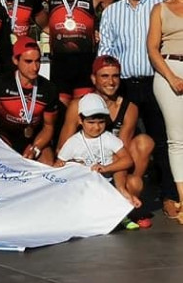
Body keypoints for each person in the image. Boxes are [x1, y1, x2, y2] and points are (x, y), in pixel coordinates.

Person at [98, 0, 178, 219]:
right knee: (122, 141)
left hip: (156, 82)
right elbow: (106, 49)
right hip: (125, 85)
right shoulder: (111, 12)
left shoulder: (159, 6)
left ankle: (169, 195)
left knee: (165, 141)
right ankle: (122, 193)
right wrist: (105, 84)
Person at [57, 55, 154, 223]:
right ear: (94, 79)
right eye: (105, 76)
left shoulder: (129, 108)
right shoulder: (77, 105)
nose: (111, 81)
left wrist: (121, 186)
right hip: (84, 169)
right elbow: (62, 148)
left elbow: (121, 153)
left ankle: (127, 199)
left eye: (115, 76)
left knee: (144, 144)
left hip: (113, 169)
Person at [34, 0, 114, 107]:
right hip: (59, 63)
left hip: (86, 63)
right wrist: (48, 27)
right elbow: (26, 4)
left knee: (84, 111)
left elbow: (114, 24)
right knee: (60, 113)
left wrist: (100, 31)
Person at [0, 37, 58, 164]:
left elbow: (49, 126)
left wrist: (35, 148)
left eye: (38, 61)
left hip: (34, 138)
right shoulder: (0, 83)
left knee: (48, 166)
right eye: (28, 61)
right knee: (2, 162)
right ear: (15, 60)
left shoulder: (49, 88)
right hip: (5, 136)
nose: (35, 67)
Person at [56, 93, 139, 208]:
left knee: (132, 182)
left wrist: (106, 168)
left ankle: (122, 212)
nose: (96, 127)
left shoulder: (108, 137)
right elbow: (58, 164)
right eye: (91, 122)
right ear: (80, 120)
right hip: (85, 185)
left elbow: (127, 160)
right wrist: (63, 165)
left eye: (101, 122)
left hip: (109, 182)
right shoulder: (72, 142)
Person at [148, 0, 183, 224]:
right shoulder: (160, 9)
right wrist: (171, 77)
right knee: (177, 139)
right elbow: (152, 48)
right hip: (169, 70)